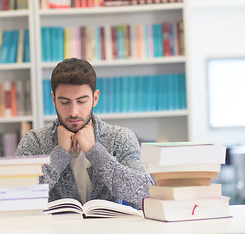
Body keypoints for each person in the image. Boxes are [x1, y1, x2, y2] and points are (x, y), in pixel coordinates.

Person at [16, 58, 152, 209]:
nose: (73, 112)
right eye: (65, 102)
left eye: (81, 101)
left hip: (110, 232)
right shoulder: (34, 141)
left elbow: (146, 195)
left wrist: (95, 152)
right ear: (54, 99)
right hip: (54, 232)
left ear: (95, 98)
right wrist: (59, 155)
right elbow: (19, 197)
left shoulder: (120, 138)